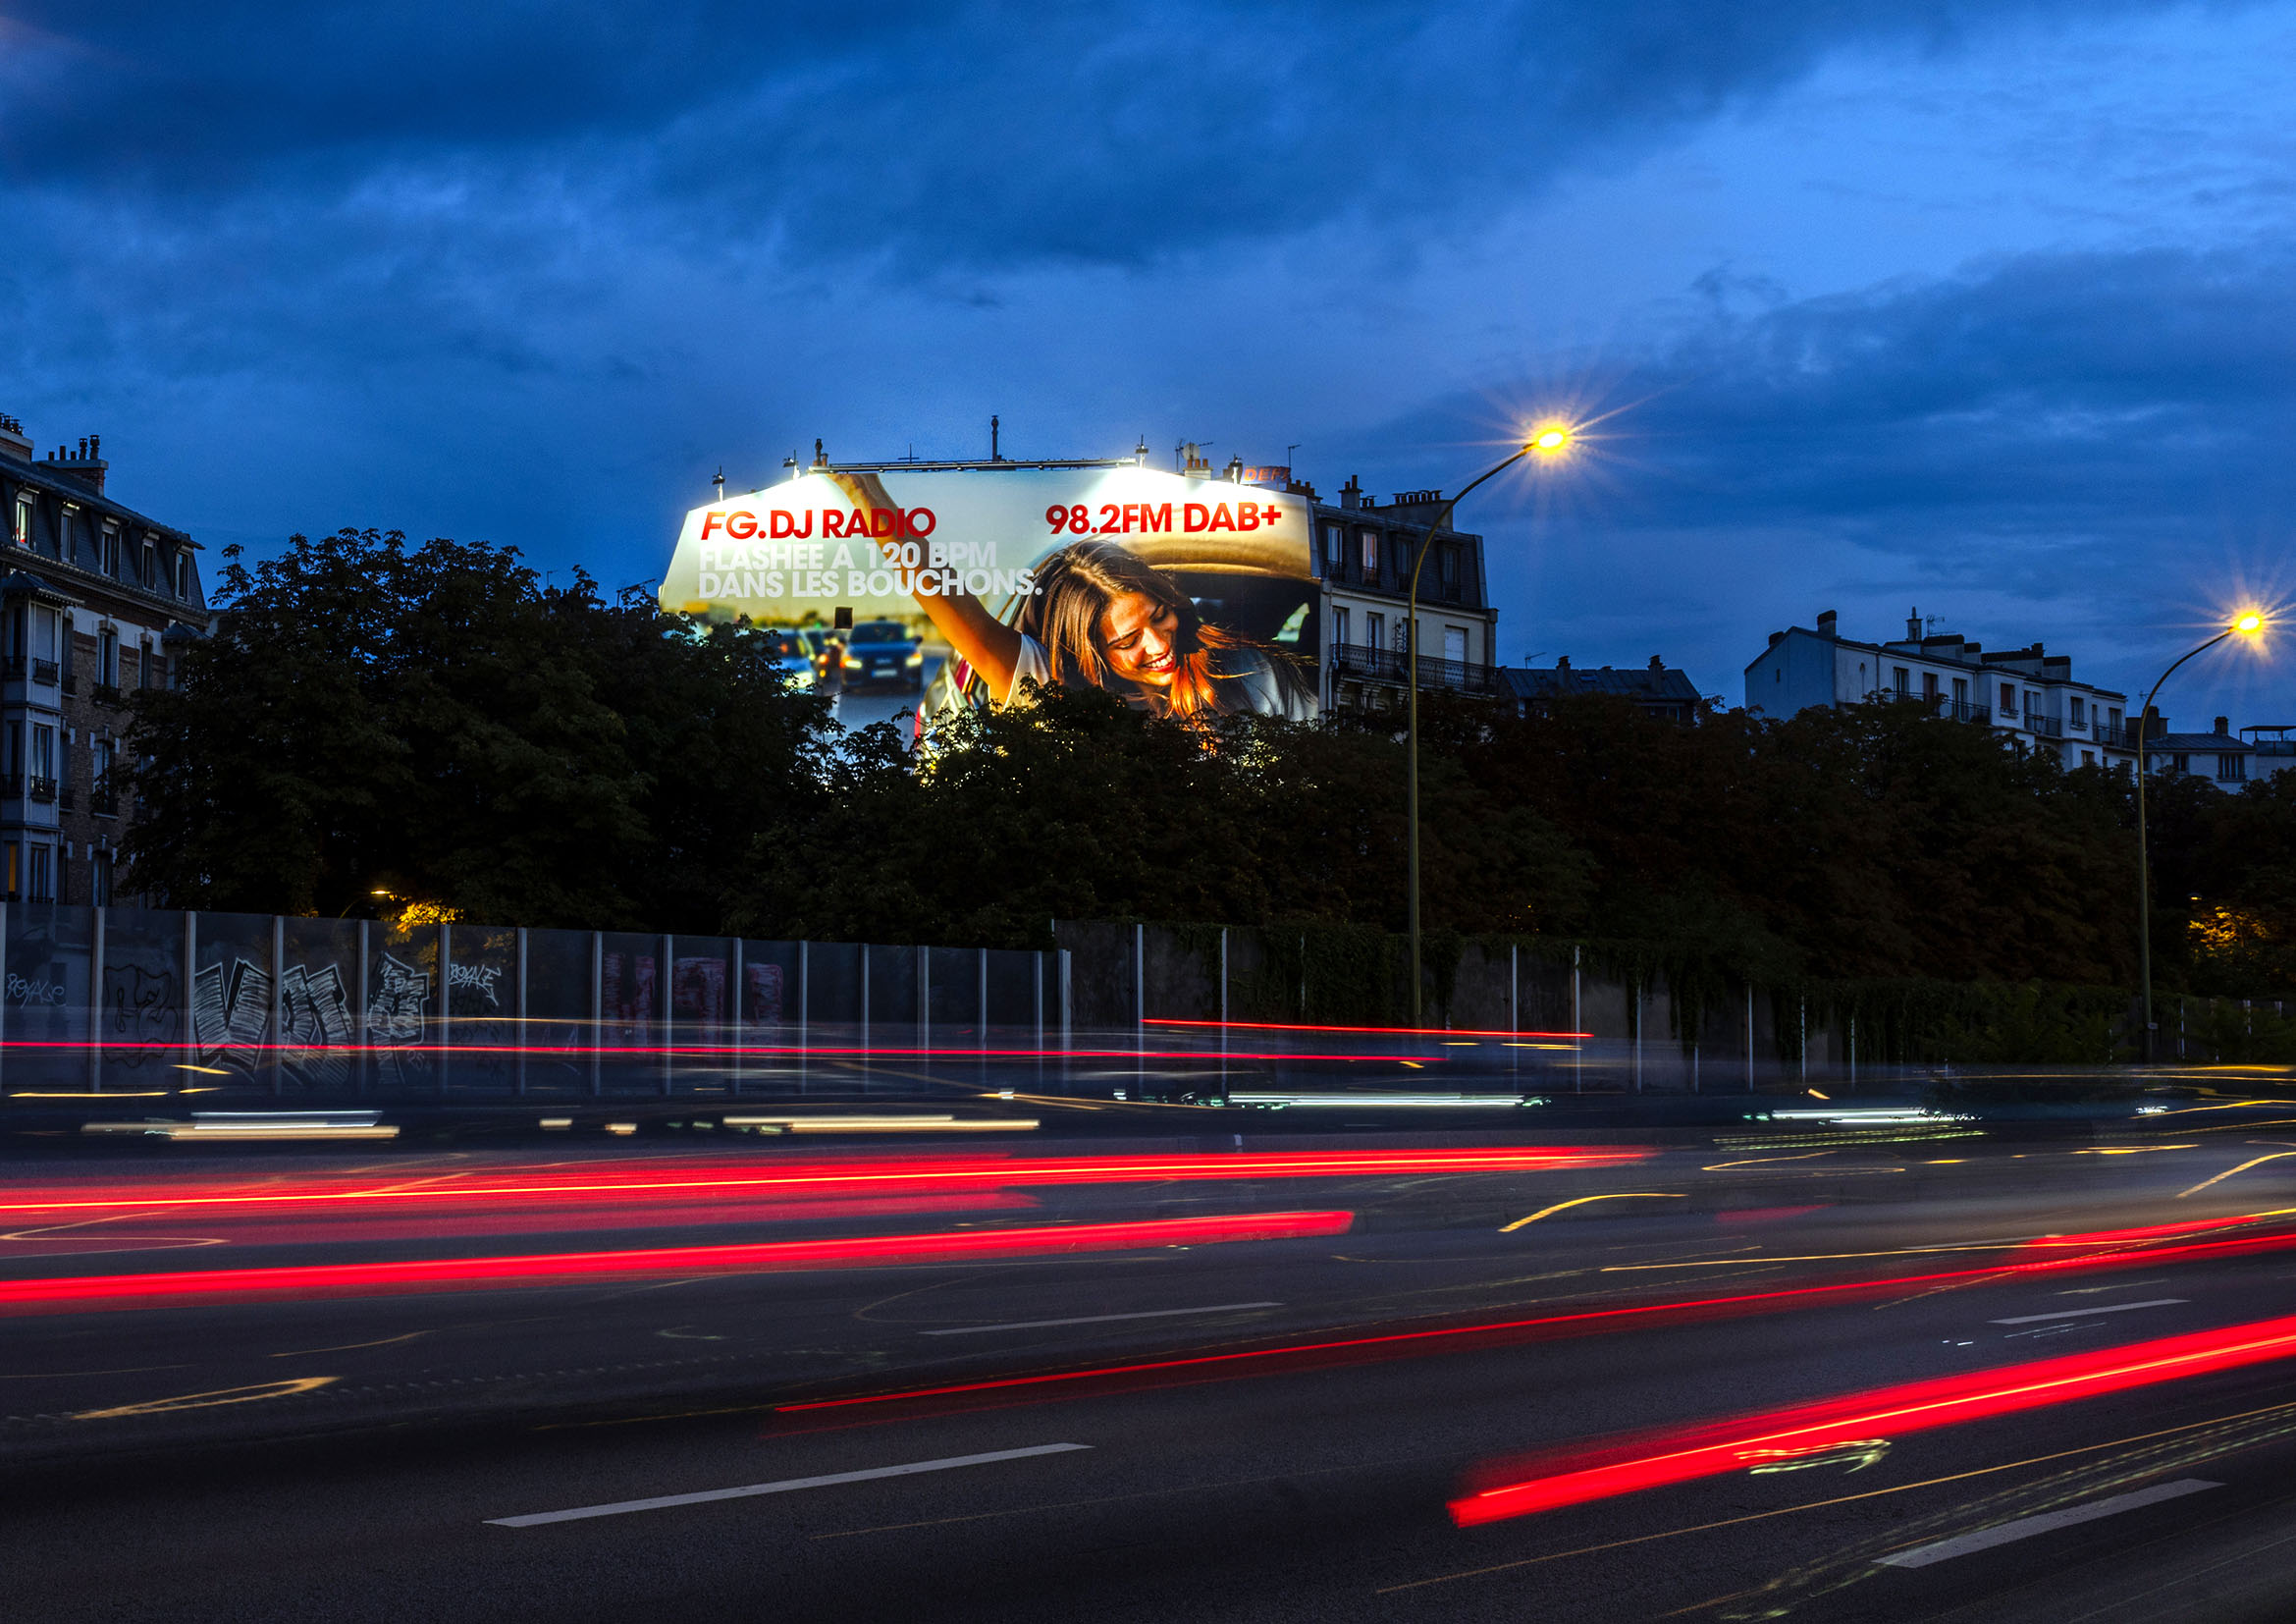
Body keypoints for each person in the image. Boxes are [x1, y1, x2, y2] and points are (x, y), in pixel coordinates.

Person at [831, 471, 1315, 722]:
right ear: (1089, 653)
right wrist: (865, 493)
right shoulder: (1052, 689)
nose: (1157, 644)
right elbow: (954, 605)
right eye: (1127, 641)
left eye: (1160, 615)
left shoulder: (1251, 674)